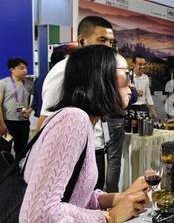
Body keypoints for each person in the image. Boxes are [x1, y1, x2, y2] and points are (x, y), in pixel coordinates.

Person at [19, 45, 149, 223]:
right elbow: (38, 216)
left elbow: (76, 196)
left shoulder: (83, 120)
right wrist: (109, 217)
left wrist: (122, 197)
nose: (131, 84)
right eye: (125, 74)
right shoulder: (74, 120)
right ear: (100, 76)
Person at [37, 16, 116, 190]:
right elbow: (44, 124)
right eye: (102, 40)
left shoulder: (95, 73)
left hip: (96, 149)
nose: (108, 47)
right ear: (82, 41)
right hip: (72, 157)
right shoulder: (64, 72)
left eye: (111, 42)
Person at [0, 58, 33, 154]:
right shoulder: (3, 83)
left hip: (23, 123)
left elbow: (35, 102)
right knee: (4, 150)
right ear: (12, 70)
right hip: (7, 123)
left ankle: (18, 168)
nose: (25, 71)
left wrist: (30, 110)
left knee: (22, 151)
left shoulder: (29, 84)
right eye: (21, 68)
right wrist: (1, 124)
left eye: (26, 68)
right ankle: (6, 169)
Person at [31, 51, 66, 119]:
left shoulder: (40, 78)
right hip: (57, 117)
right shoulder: (65, 77)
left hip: (42, 116)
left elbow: (35, 101)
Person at [129, 55, 157, 119]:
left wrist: (153, 111)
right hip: (131, 109)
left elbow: (148, 95)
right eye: (140, 64)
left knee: (145, 128)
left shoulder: (146, 78)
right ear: (134, 64)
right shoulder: (128, 77)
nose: (143, 66)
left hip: (143, 108)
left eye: (144, 64)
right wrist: (135, 93)